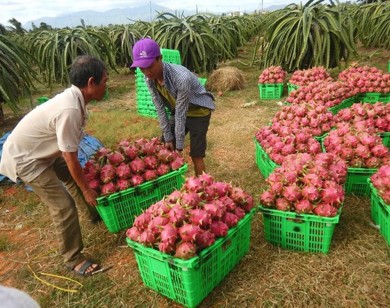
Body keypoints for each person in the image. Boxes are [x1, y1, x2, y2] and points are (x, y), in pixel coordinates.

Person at [0, 55, 108, 276]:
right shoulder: (69, 110)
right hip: (27, 160)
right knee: (63, 205)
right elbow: (70, 157)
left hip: (43, 150)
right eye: (105, 80)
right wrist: (87, 190)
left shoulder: (75, 99)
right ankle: (73, 259)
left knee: (74, 177)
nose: (107, 85)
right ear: (91, 83)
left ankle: (93, 215)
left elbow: (70, 156)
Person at [131, 38, 215, 176]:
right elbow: (159, 108)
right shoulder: (149, 79)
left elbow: (181, 115)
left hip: (199, 111)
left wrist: (179, 147)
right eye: (142, 68)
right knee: (164, 144)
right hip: (179, 109)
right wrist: (169, 138)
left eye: (150, 66)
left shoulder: (181, 78)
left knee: (196, 153)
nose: (147, 72)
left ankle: (203, 185)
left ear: (160, 58)